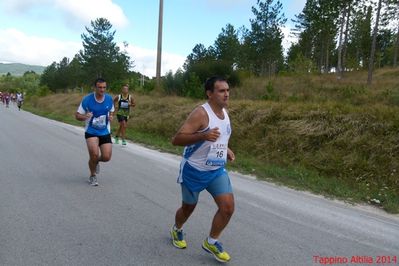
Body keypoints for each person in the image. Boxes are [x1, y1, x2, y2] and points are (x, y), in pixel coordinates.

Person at [170, 76, 235, 263]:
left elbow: (221, 137)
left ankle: (212, 241)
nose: (226, 94)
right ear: (209, 93)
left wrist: (227, 150)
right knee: (188, 208)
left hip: (216, 170)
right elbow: (177, 139)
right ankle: (177, 229)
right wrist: (203, 135)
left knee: (228, 208)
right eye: (221, 91)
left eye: (228, 90)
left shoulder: (225, 112)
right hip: (194, 170)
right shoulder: (200, 113)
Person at [75, 78, 115, 186]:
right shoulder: (87, 100)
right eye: (100, 87)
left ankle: (96, 161)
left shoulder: (109, 99)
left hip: (105, 131)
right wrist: (84, 117)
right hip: (91, 131)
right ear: (95, 88)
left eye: (104, 87)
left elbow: (112, 110)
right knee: (94, 154)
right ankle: (92, 175)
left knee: (106, 157)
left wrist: (111, 116)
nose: (102, 90)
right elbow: (77, 115)